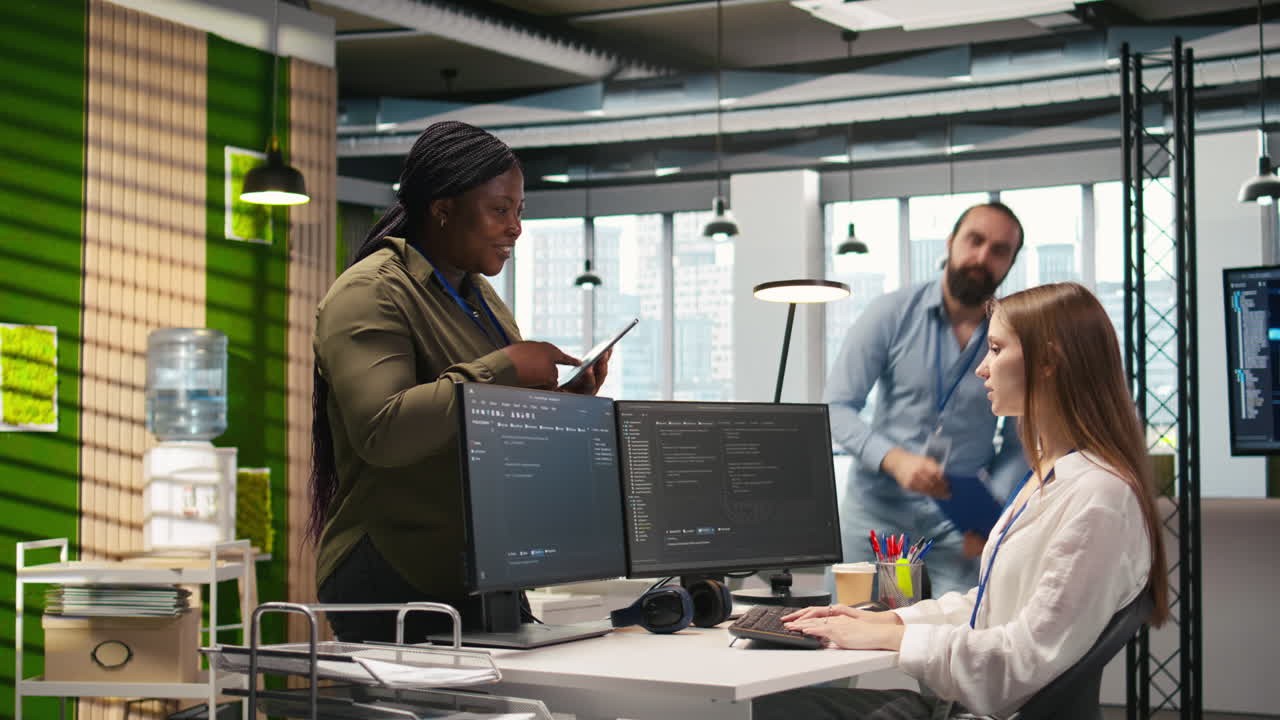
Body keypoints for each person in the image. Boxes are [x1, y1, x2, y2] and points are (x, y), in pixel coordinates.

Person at [755, 282, 1170, 719]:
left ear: (1048, 361)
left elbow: (1017, 664)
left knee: (770, 711)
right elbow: (989, 608)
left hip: (985, 712)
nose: (982, 369)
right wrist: (885, 622)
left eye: (996, 349)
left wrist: (892, 640)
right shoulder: (1059, 478)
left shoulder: (1098, 498)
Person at [307, 121, 608, 642]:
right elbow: (385, 430)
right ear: (442, 210)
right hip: (396, 567)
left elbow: (488, 430)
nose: (516, 227)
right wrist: (507, 367)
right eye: (500, 210)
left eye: (519, 212)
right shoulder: (369, 292)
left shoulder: (481, 298)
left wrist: (561, 403)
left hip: (480, 568)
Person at [826, 203, 1030, 597]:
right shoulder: (891, 313)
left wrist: (993, 514)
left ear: (1010, 264)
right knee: (850, 632)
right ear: (951, 242)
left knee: (957, 641)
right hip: (875, 514)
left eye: (999, 250)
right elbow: (834, 407)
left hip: (958, 526)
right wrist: (893, 458)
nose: (982, 256)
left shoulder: (1013, 334)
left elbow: (1019, 437)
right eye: (975, 240)